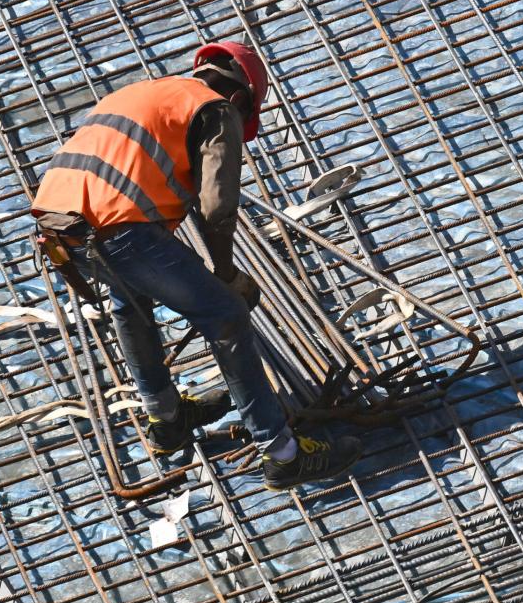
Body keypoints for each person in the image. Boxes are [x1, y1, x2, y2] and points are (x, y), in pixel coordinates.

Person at [31, 41, 361, 491]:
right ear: (241, 98)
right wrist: (226, 277)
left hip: (60, 229)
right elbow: (218, 207)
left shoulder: (141, 93)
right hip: (121, 229)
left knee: (130, 304)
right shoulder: (214, 108)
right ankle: (282, 454)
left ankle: (167, 420)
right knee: (226, 316)